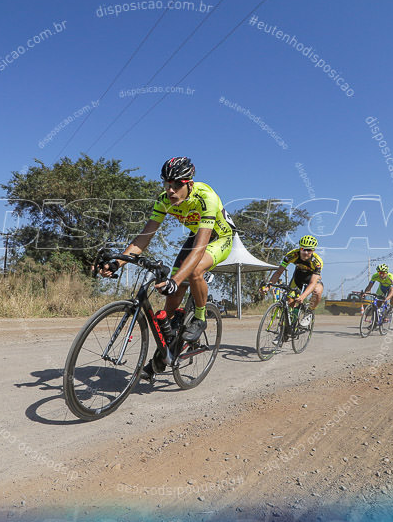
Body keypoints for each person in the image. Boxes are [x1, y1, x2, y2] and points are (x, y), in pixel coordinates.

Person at [98, 157, 233, 380]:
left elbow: (200, 248)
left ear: (189, 184)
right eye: (166, 184)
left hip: (219, 238)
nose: (170, 190)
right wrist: (117, 262)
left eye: (176, 185)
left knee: (194, 271)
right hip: (196, 236)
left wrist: (176, 279)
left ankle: (200, 318)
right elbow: (144, 238)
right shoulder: (163, 200)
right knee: (169, 308)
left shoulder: (206, 197)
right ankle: (163, 355)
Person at [261, 235, 324, 333]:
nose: (306, 253)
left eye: (309, 250)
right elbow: (278, 272)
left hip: (311, 278)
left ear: (313, 251)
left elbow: (312, 283)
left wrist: (303, 296)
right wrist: (268, 286)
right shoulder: (292, 255)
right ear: (300, 248)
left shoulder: (317, 262)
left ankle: (309, 312)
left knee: (317, 291)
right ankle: (285, 331)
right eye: (303, 249)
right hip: (298, 277)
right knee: (290, 302)